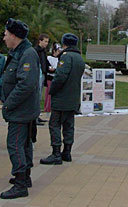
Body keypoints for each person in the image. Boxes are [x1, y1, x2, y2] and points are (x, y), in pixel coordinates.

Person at [0, 19, 40, 200]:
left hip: (20, 110)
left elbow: (26, 84)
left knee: (15, 144)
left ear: (14, 36)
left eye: (6, 34)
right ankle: (25, 176)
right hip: (21, 109)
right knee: (23, 144)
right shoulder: (19, 52)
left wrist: (8, 103)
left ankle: (21, 184)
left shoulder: (27, 54)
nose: (4, 38)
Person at [40, 34, 84, 165]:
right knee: (69, 125)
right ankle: (67, 152)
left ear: (65, 44)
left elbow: (60, 76)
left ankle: (56, 153)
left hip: (61, 98)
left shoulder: (66, 57)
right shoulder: (79, 58)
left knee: (54, 124)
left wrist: (52, 90)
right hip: (73, 97)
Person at [34, 33, 50, 125]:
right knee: (36, 96)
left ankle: (37, 115)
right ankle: (34, 117)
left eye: (47, 42)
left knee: (39, 96)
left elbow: (45, 62)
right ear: (40, 41)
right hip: (38, 75)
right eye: (45, 41)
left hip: (43, 74)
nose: (46, 43)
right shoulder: (36, 51)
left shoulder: (43, 51)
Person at [44, 43, 62, 113]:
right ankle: (47, 108)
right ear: (54, 51)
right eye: (58, 51)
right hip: (50, 78)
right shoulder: (49, 58)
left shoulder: (59, 59)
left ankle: (51, 107)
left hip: (55, 78)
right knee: (48, 94)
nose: (59, 52)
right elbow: (48, 68)